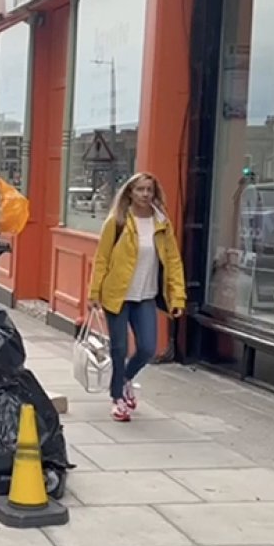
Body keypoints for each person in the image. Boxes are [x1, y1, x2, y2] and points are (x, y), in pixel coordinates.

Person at [88, 172, 187, 422]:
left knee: (147, 348)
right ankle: (117, 398)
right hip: (117, 296)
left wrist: (177, 298)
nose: (145, 195)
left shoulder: (162, 223)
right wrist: (94, 294)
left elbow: (173, 262)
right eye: (140, 190)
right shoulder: (118, 221)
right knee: (119, 348)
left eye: (149, 190)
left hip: (146, 296)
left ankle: (125, 379)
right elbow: (102, 259)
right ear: (130, 192)